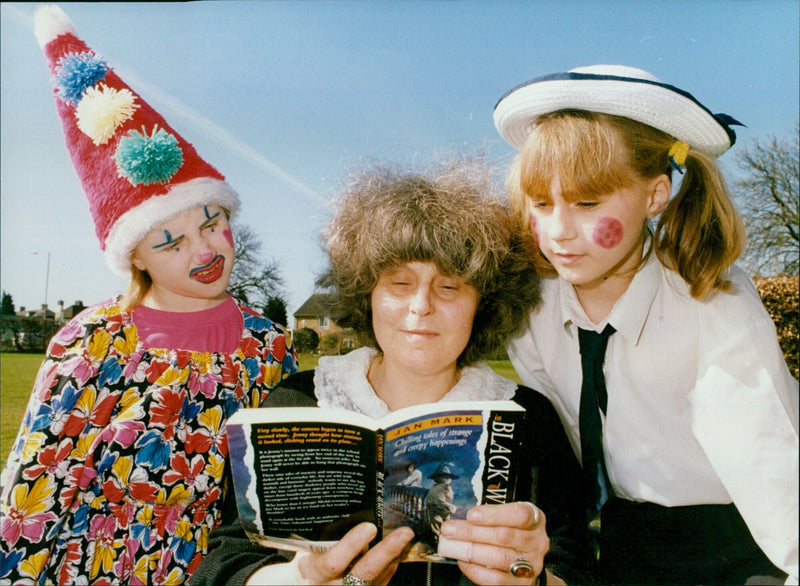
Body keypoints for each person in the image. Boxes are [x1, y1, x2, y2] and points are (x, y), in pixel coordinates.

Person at [191, 158, 596, 586]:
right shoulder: (297, 403)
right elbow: (223, 563)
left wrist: (533, 580)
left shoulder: (529, 420)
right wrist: (293, 581)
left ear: (485, 303)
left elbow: (577, 567)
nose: (421, 307)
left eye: (449, 286)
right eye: (399, 284)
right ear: (367, 294)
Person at [0, 6, 297, 585]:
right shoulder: (91, 340)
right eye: (171, 241)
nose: (206, 251)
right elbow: (34, 488)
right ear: (134, 255)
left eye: (214, 223)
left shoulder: (268, 345)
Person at [493, 64, 799, 584]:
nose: (559, 231)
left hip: (732, 542)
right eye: (541, 204)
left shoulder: (711, 299)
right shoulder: (533, 309)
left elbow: (768, 457)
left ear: (655, 196)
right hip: (619, 539)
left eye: (588, 204)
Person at [423, 462, 459, 542]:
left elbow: (448, 498)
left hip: (444, 513)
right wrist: (451, 508)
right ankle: (438, 546)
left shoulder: (447, 487)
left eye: (448, 476)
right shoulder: (437, 488)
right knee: (438, 530)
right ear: (437, 478)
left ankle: (444, 545)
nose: (447, 479)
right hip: (437, 512)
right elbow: (436, 501)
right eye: (444, 476)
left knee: (445, 530)